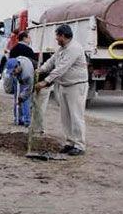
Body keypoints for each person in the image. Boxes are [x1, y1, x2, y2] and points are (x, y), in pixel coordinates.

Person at [35, 24, 88, 156]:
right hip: (65, 85)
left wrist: (45, 81)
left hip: (76, 85)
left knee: (76, 116)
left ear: (63, 36)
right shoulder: (62, 49)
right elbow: (52, 62)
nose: (56, 38)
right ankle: (70, 142)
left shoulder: (74, 48)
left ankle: (79, 145)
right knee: (66, 116)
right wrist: (41, 69)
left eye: (57, 35)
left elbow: (61, 69)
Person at [5, 57, 34, 126]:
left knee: (24, 99)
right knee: (16, 97)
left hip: (25, 80)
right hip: (20, 73)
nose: (12, 73)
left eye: (13, 71)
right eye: (11, 72)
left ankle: (27, 121)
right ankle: (18, 119)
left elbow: (29, 90)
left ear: (17, 67)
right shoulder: (15, 67)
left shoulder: (27, 75)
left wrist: (21, 97)